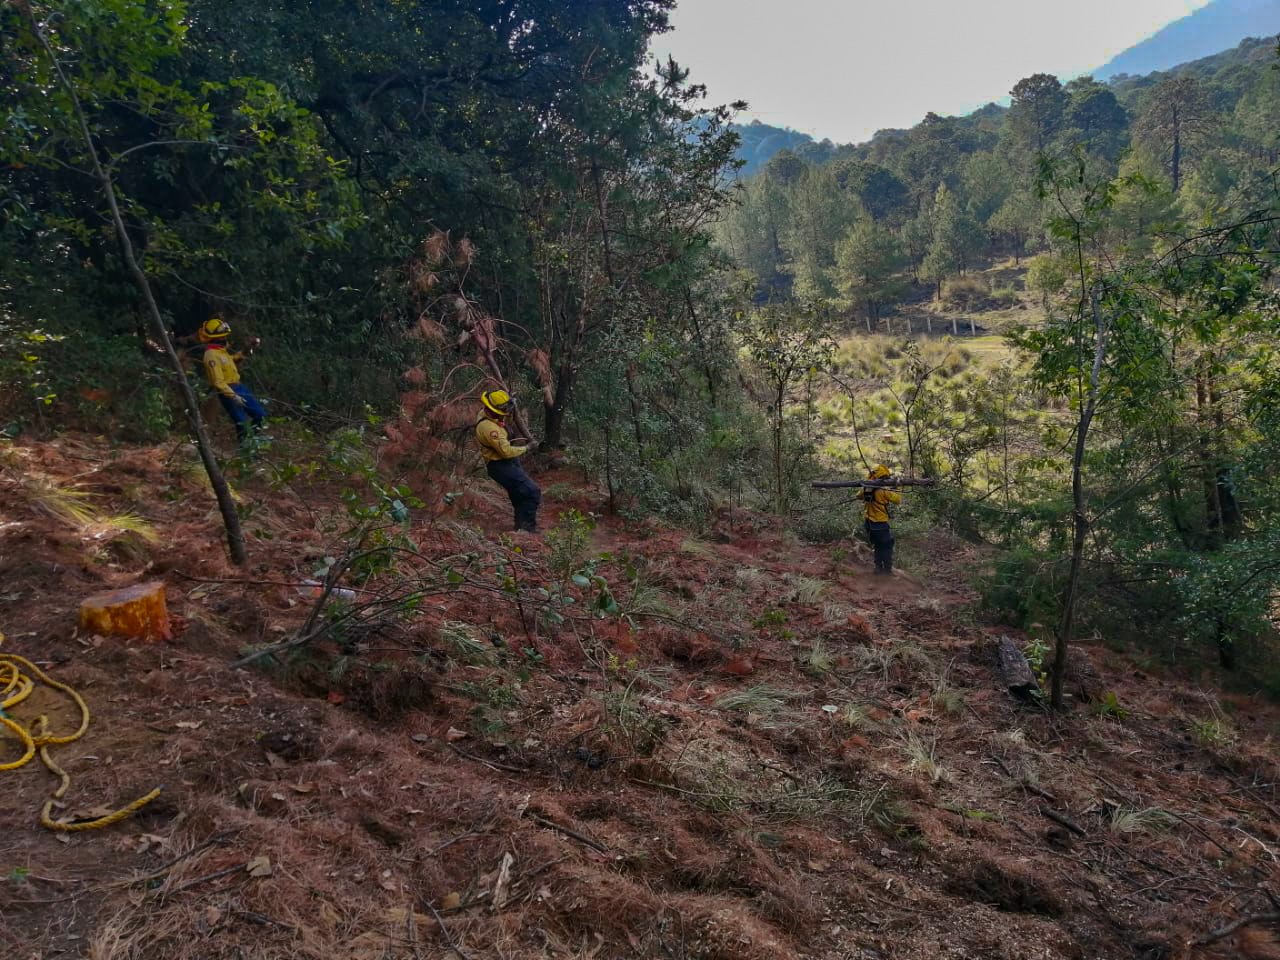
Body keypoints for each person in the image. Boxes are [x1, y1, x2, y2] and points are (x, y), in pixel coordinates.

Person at [475, 389, 541, 533]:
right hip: (499, 465)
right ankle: (527, 530)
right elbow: (506, 452)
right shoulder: (490, 429)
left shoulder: (488, 415)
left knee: (519, 493)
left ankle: (520, 526)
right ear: (494, 410)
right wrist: (527, 447)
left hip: (507, 462)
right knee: (531, 491)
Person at [198, 318, 266, 443]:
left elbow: (232, 360)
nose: (226, 339)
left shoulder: (221, 351)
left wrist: (247, 349)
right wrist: (233, 396)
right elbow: (218, 381)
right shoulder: (211, 355)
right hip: (228, 391)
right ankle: (246, 449)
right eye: (224, 336)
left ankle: (251, 441)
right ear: (217, 338)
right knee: (241, 423)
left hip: (239, 387)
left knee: (260, 415)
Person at [862, 463, 902, 575]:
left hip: (868, 524)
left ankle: (878, 568)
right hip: (880, 524)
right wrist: (897, 487)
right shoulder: (884, 492)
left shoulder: (866, 489)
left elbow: (858, 495)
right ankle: (887, 571)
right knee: (887, 546)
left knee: (878, 546)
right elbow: (898, 500)